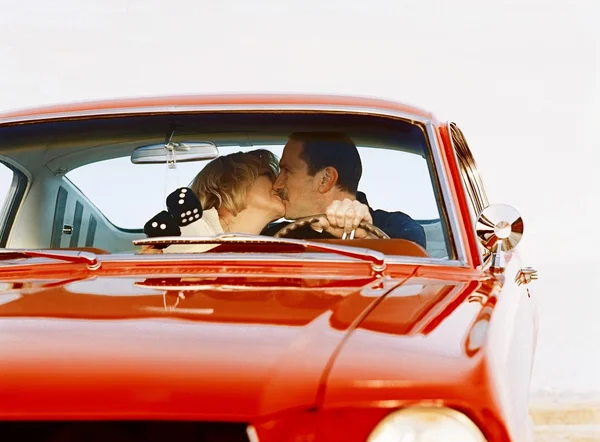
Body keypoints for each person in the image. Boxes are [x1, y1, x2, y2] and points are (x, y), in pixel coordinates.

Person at [141, 148, 373, 254]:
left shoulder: (293, 238)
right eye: (269, 176)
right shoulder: (185, 236)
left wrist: (362, 233)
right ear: (233, 185)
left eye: (284, 174)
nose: (279, 185)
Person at [261, 132, 427, 248]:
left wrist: (367, 238)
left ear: (326, 179)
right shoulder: (277, 236)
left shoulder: (397, 227)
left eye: (287, 171)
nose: (277, 184)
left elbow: (410, 274)